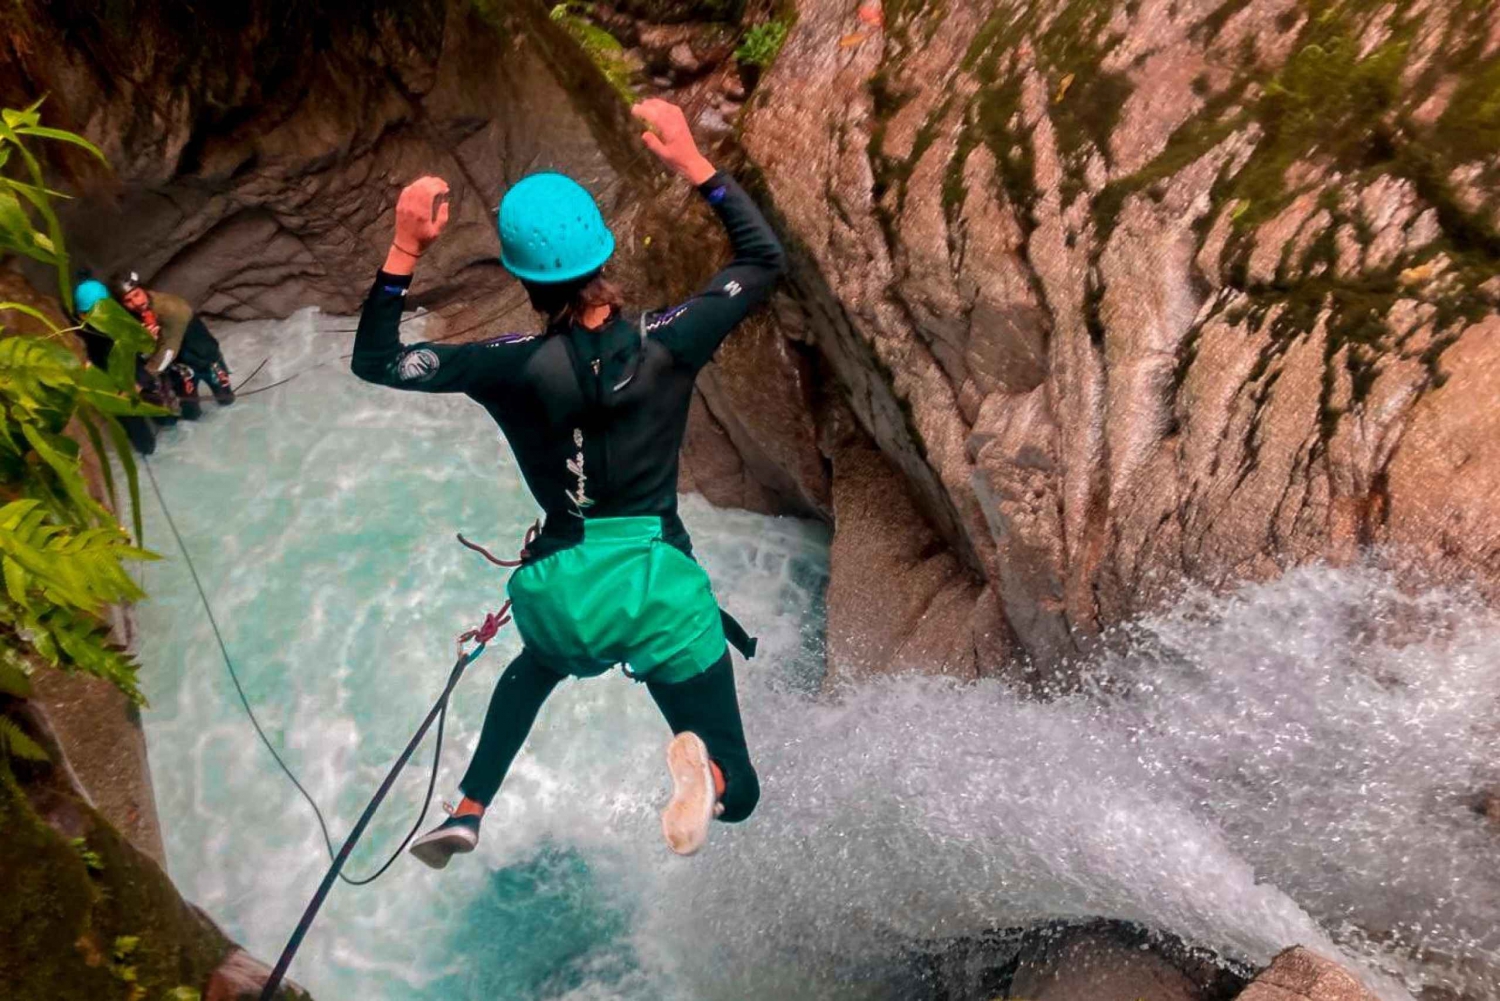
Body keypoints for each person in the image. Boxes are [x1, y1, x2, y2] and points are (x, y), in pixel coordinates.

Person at [350, 98, 785, 864]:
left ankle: (470, 807)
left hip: (563, 589)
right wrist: (692, 163)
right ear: (603, 253)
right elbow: (761, 260)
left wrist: (402, 246)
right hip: (659, 590)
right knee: (743, 792)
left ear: (524, 277)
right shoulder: (672, 342)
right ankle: (708, 774)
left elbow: (378, 360)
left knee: (534, 666)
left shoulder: (506, 364)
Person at [72, 276, 167, 455]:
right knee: (145, 444)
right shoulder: (82, 337)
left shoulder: (119, 319)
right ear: (83, 315)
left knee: (163, 416)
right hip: (114, 386)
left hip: (134, 374)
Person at [117, 273, 235, 417]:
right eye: (128, 300)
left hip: (208, 360)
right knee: (191, 414)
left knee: (226, 400)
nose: (136, 303)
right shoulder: (133, 315)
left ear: (143, 290)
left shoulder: (171, 308)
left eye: (136, 295)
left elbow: (169, 350)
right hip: (182, 368)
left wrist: (141, 382)